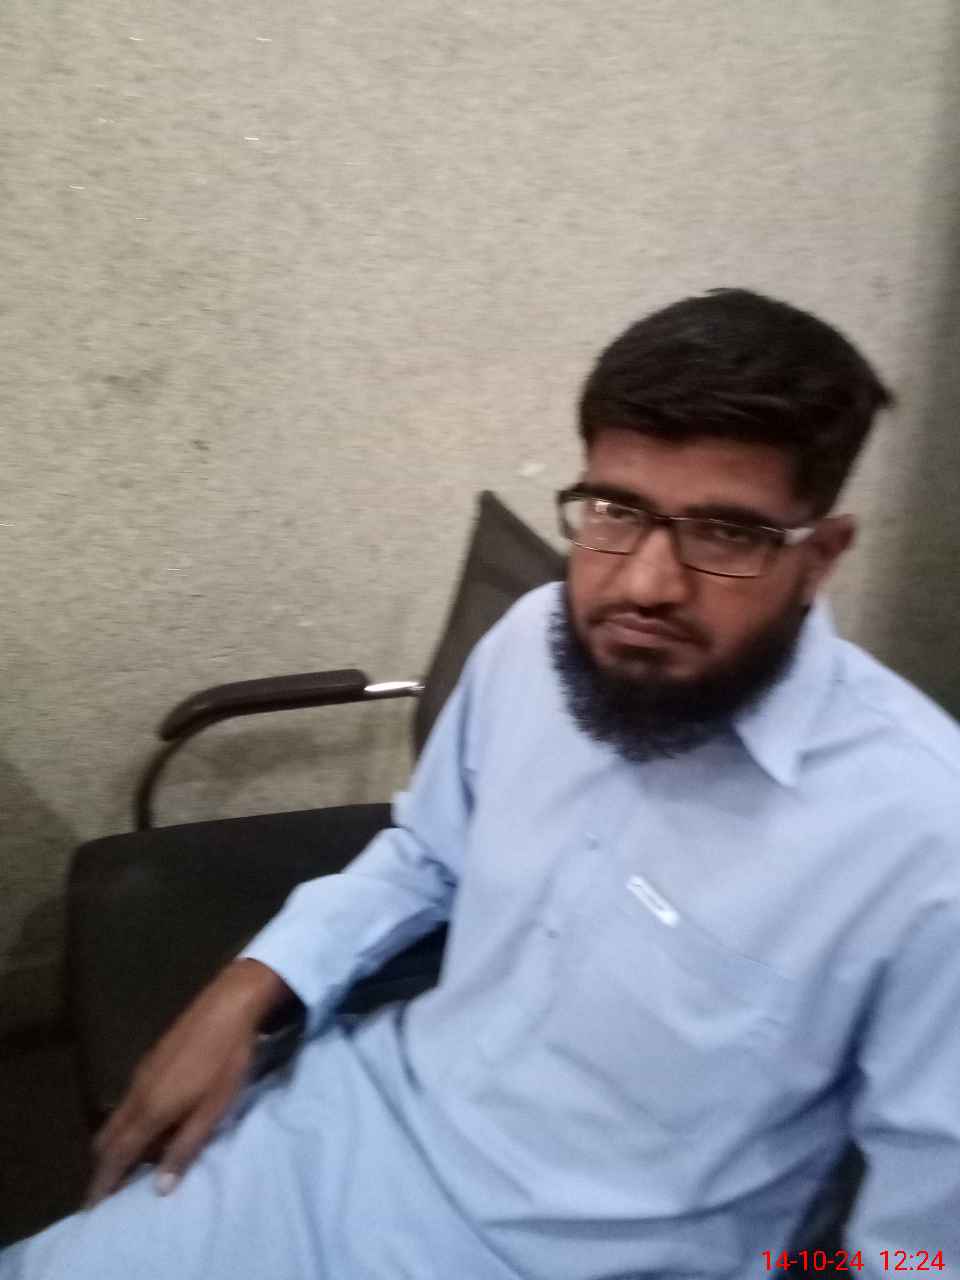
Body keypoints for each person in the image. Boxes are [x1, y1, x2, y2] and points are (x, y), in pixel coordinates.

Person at [5, 288, 959, 1280]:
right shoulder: (533, 643)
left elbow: (923, 1253)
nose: (643, 583)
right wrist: (252, 983)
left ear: (820, 556)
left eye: (724, 533)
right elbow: (428, 854)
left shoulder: (926, 845)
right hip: (346, 1129)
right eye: (616, 511)